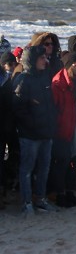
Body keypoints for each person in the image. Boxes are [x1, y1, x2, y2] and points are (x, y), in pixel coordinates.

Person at [12, 46, 58, 214]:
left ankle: (40, 199)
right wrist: (33, 125)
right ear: (32, 60)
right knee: (27, 169)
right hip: (30, 135)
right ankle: (26, 203)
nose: (45, 60)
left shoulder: (44, 77)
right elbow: (18, 109)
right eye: (42, 58)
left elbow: (50, 105)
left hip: (46, 133)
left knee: (44, 169)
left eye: (46, 57)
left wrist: (51, 124)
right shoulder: (23, 79)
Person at [49, 53, 76, 207]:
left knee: (74, 162)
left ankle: (70, 193)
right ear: (70, 65)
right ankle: (60, 195)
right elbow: (54, 111)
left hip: (75, 128)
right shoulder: (58, 83)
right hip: (62, 132)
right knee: (62, 164)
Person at [0, 51, 19, 208]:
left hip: (7, 126)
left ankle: (3, 193)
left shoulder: (9, 80)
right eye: (9, 64)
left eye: (14, 64)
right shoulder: (5, 81)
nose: (12, 67)